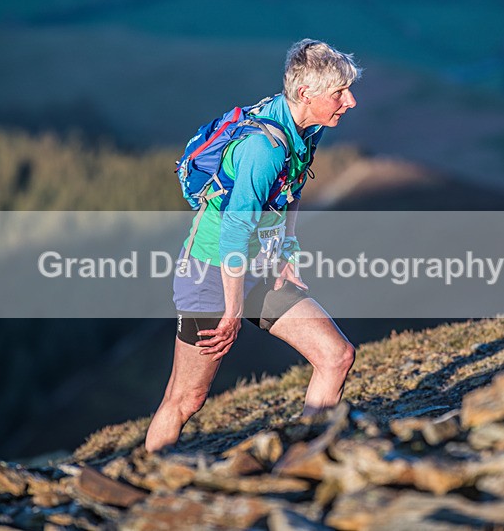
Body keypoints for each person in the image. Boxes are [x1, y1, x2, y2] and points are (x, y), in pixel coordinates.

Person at [145, 39, 361, 452]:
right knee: (186, 398)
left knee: (337, 357)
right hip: (211, 273)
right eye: (339, 93)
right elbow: (232, 233)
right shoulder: (262, 149)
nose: (349, 101)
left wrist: (285, 252)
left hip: (259, 269)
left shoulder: (306, 128)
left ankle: (301, 460)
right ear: (305, 94)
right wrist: (233, 309)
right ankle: (146, 488)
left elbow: (292, 187)